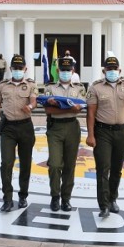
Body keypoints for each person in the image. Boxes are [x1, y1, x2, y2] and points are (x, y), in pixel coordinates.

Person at [85, 56, 124, 218]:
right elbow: (90, 113)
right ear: (104, 71)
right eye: (109, 69)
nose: (112, 72)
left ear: (119, 70)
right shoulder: (95, 87)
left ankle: (112, 199)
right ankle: (103, 205)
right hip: (102, 132)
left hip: (122, 132)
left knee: (117, 169)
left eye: (114, 69)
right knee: (103, 167)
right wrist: (90, 135)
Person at [0, 55, 37, 212]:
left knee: (25, 163)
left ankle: (23, 195)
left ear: (25, 69)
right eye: (15, 68)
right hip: (8, 128)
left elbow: (34, 101)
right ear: (10, 69)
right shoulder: (3, 86)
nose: (17, 70)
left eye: (20, 68)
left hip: (25, 127)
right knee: (6, 163)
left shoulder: (30, 85)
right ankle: (7, 198)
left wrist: (30, 106)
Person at [43, 58, 86, 212]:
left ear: (73, 71)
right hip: (55, 128)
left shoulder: (79, 88)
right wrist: (69, 109)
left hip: (72, 128)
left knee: (70, 165)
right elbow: (48, 110)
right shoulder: (50, 88)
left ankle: (66, 198)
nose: (66, 73)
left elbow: (80, 108)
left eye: (68, 70)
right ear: (58, 71)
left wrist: (60, 107)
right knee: (54, 164)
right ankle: (55, 196)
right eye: (63, 70)